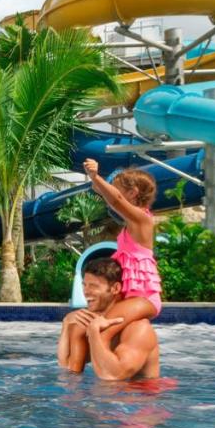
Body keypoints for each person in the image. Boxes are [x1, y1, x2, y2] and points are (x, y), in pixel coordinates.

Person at [83, 159, 163, 324]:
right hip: (128, 296)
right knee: (83, 324)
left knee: (99, 327)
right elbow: (107, 194)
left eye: (117, 187)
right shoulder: (131, 222)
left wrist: (96, 176)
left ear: (132, 193)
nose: (113, 191)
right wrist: (94, 180)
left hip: (144, 297)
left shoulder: (142, 219)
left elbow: (116, 200)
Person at [58, 257, 160, 380]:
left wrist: (94, 332)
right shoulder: (92, 322)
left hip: (139, 396)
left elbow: (113, 376)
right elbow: (67, 368)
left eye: (93, 286)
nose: (86, 292)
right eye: (84, 285)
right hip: (107, 396)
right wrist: (66, 324)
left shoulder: (139, 329)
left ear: (115, 288)